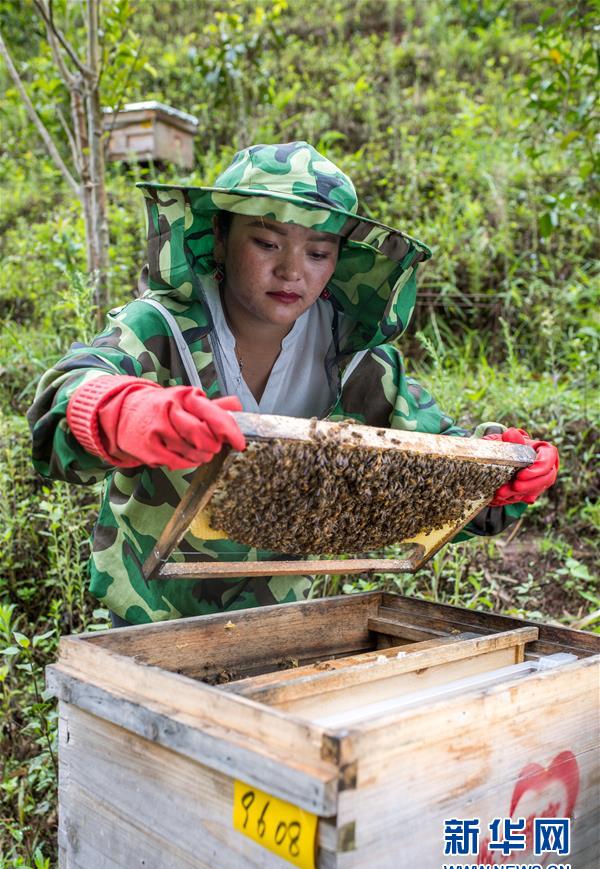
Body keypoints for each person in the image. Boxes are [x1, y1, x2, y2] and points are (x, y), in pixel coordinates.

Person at [27, 141, 559, 626]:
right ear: (219, 235)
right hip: (147, 618)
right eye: (266, 242)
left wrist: (498, 472)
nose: (291, 272)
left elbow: (436, 461)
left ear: (338, 262)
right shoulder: (159, 329)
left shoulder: (354, 358)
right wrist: (119, 411)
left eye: (318, 253)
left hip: (283, 621)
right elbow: (65, 398)